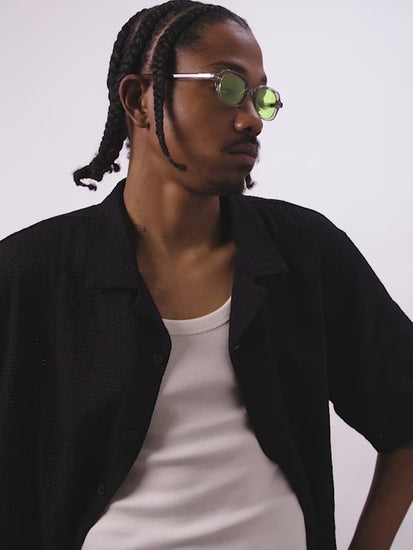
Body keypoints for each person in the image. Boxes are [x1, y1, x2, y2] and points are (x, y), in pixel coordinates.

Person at [0, 1, 412, 548]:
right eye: (227, 87)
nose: (252, 119)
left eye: (261, 97)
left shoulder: (304, 252)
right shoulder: (29, 274)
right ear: (138, 100)